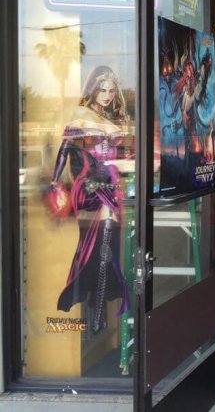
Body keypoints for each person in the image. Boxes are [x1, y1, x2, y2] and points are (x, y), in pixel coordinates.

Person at [48, 65, 132, 333]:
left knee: (106, 248)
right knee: (102, 243)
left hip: (112, 188)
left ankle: (98, 308)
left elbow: (122, 155)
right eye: (102, 90)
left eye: (111, 90)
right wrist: (55, 181)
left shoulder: (113, 117)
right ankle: (95, 313)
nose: (107, 95)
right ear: (93, 90)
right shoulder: (81, 115)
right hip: (89, 187)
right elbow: (65, 149)